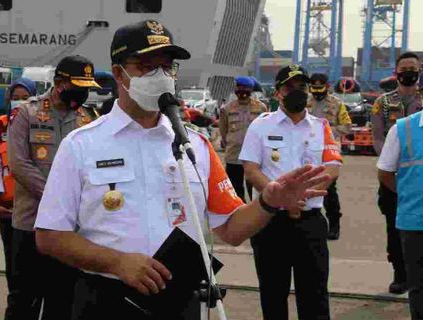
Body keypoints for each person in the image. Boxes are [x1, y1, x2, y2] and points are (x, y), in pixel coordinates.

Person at [33, 20, 330, 320]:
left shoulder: (194, 146)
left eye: (167, 66)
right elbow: (49, 236)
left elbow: (231, 228)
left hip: (180, 302)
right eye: (146, 65)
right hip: (106, 299)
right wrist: (116, 262)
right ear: (118, 73)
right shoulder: (81, 145)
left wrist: (269, 202)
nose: (159, 76)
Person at [240, 64, 342, 320]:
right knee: (273, 294)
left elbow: (332, 169)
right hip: (270, 223)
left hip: (310, 223)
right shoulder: (260, 126)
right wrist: (281, 197)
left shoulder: (321, 126)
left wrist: (301, 196)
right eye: (290, 87)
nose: (297, 91)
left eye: (302, 87)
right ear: (277, 93)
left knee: (315, 295)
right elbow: (251, 170)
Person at [7, 55, 100, 320]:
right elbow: (19, 164)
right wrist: (56, 197)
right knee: (23, 300)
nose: (83, 93)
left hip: (71, 230)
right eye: (78, 86)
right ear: (59, 83)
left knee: (62, 301)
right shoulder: (26, 112)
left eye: (87, 88)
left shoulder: (90, 118)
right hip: (30, 224)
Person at [371, 51, 423, 294]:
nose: (409, 73)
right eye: (404, 69)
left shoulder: (422, 101)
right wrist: (394, 159)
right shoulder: (382, 103)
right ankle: (400, 274)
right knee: (395, 228)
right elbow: (378, 137)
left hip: (418, 177)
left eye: (413, 69)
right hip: (392, 176)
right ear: (396, 72)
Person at [0, 77, 36, 319]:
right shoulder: (0, 125)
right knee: (15, 271)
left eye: (24, 97)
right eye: (15, 97)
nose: (19, 102)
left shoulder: (39, 123)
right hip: (8, 206)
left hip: (34, 207)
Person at [378, 110, 423, 320]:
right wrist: (407, 193)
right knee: (419, 286)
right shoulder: (402, 129)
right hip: (415, 222)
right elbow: (385, 172)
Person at [307, 72, 352, 240]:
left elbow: (347, 126)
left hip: (328, 152)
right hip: (307, 150)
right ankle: (311, 223)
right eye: (314, 88)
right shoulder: (304, 103)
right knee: (306, 186)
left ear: (327, 86)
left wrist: (325, 133)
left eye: (321, 87)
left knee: (329, 189)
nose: (317, 91)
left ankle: (334, 225)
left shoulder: (337, 104)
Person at [219, 76, 268, 202]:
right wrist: (228, 142)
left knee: (254, 184)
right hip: (234, 154)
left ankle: (255, 209)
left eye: (245, 89)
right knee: (235, 186)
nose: (242, 92)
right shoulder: (227, 108)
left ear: (251, 90)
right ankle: (239, 209)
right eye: (239, 88)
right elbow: (223, 130)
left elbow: (266, 129)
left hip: (255, 154)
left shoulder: (261, 108)